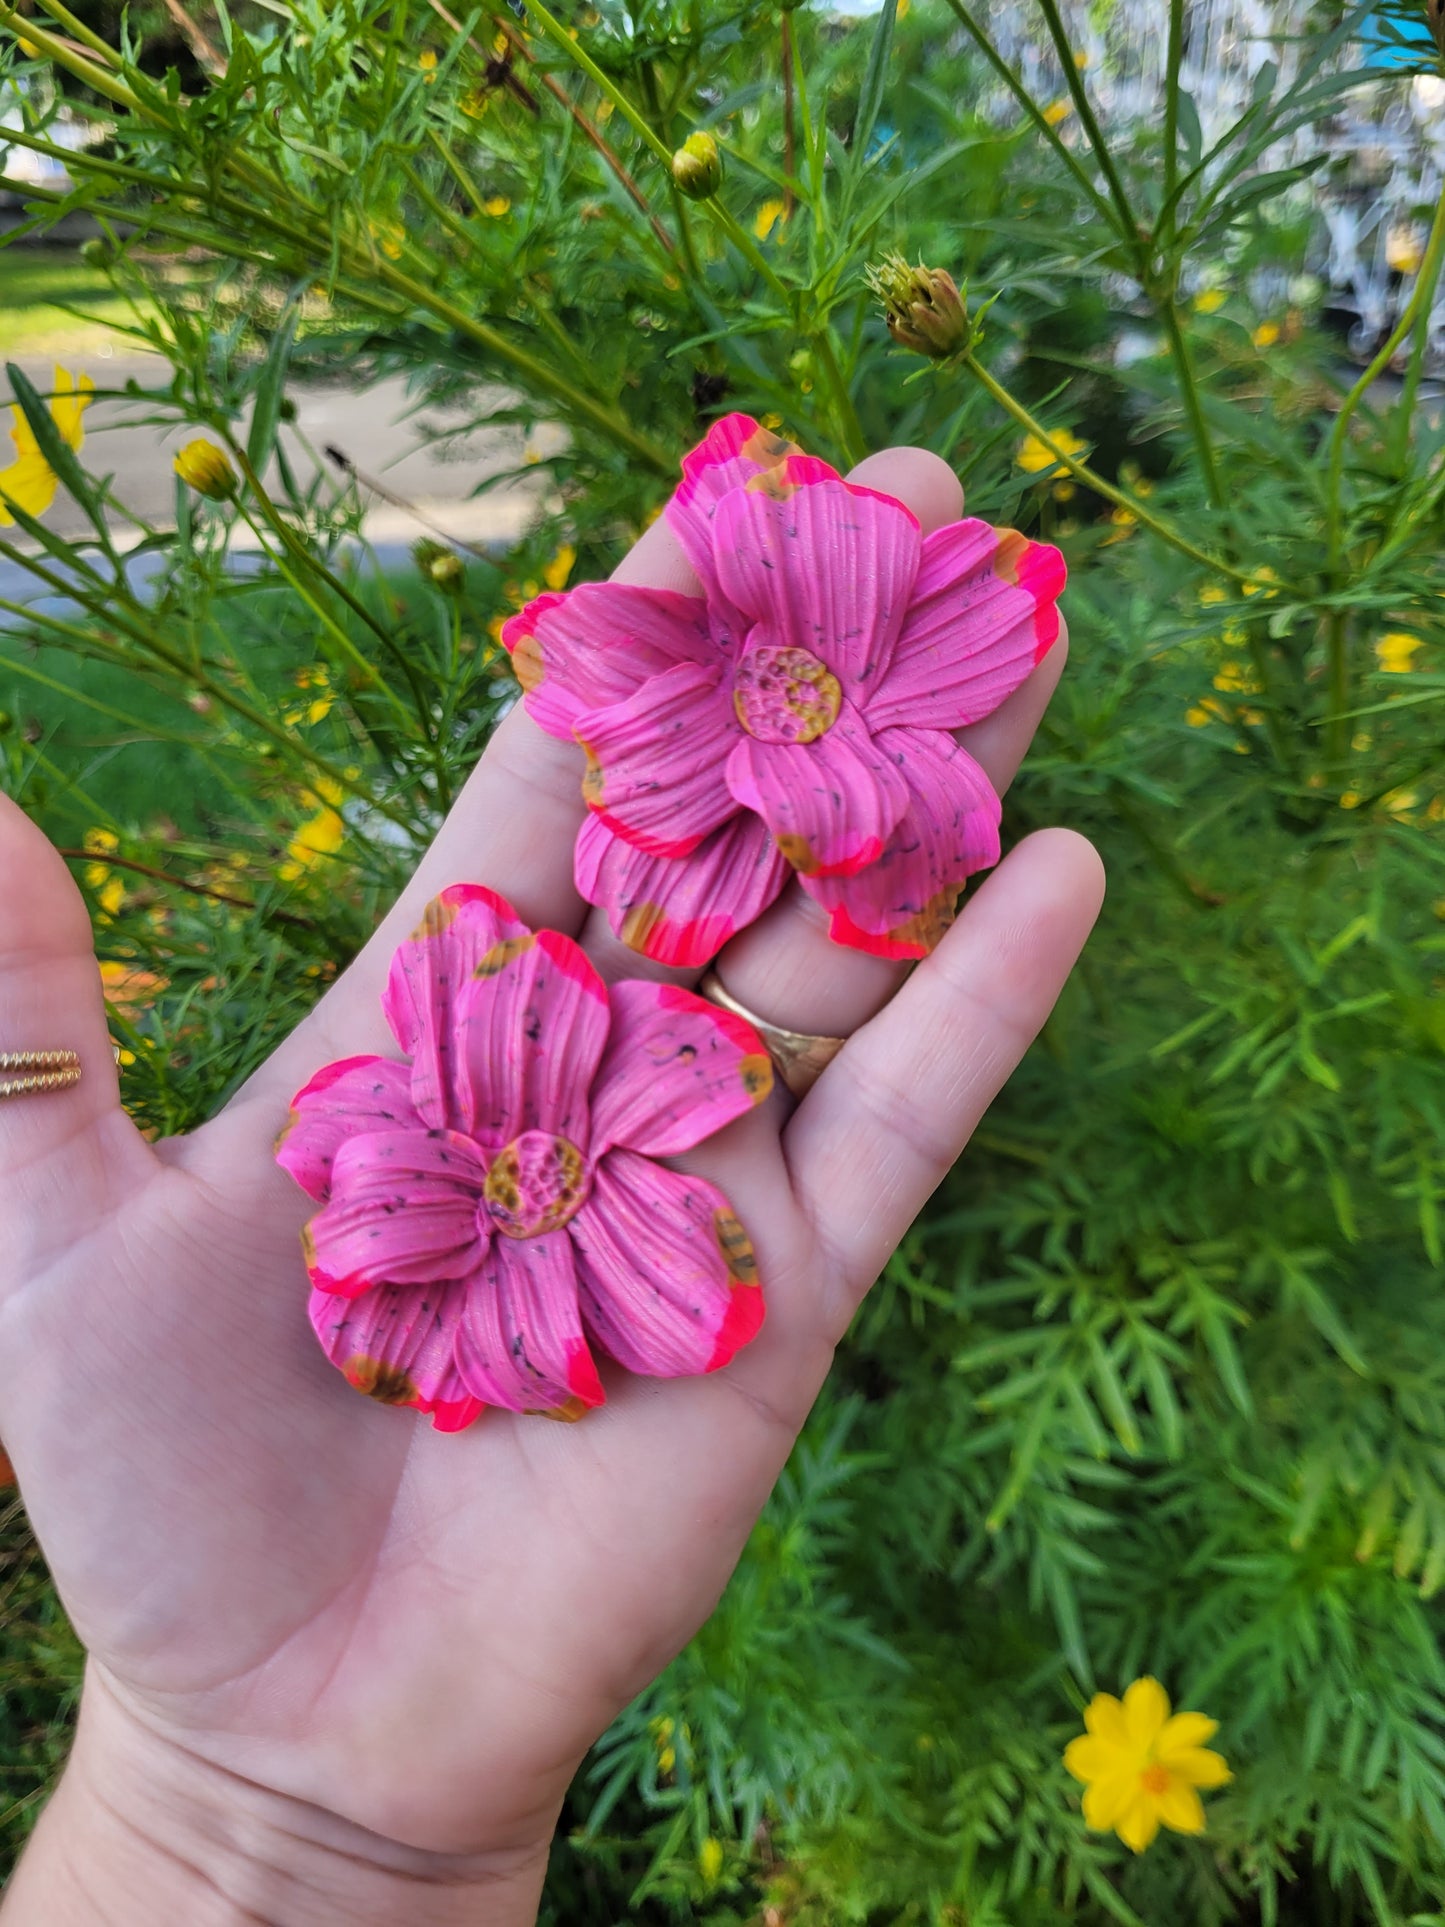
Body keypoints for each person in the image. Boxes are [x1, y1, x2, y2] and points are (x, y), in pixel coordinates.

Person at [0, 445, 1103, 1924]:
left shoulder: (713, 952)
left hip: (692, 1003)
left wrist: (229, 1816)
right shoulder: (437, 1155)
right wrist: (232, 1801)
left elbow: (706, 1047)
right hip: (564, 1177)